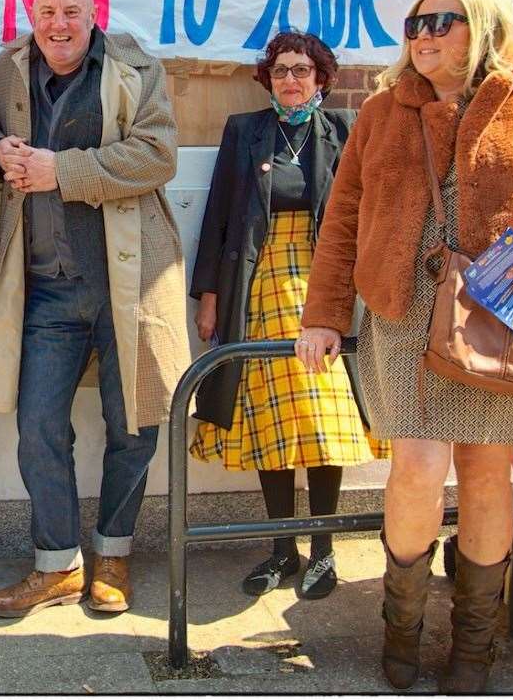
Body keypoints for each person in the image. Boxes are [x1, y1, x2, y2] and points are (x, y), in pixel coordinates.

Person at [297, 0, 513, 692]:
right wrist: (321, 314)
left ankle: (473, 646)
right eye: (413, 24)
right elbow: (341, 216)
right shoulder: (381, 110)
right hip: (403, 312)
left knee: (484, 473)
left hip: (496, 314)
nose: (421, 36)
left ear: (481, 24)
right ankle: (399, 628)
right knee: (413, 466)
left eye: (438, 21)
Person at [0, 0, 190, 617]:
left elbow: (158, 155)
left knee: (134, 423)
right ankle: (58, 565)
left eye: (71, 10)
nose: (58, 23)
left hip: (130, 286)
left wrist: (60, 170)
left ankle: (115, 555)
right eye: (46, 12)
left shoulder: (134, 65)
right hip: (45, 285)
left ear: (94, 13)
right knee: (38, 424)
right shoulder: (8, 70)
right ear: (32, 17)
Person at [189, 31, 390, 600]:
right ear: (268, 77)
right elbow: (220, 216)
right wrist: (211, 296)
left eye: (302, 70)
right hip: (258, 284)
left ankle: (324, 551)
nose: (291, 80)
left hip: (327, 288)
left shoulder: (344, 129)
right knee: (269, 426)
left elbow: (363, 213)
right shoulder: (245, 131)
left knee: (323, 423)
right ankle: (282, 549)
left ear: (321, 77)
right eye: (281, 71)